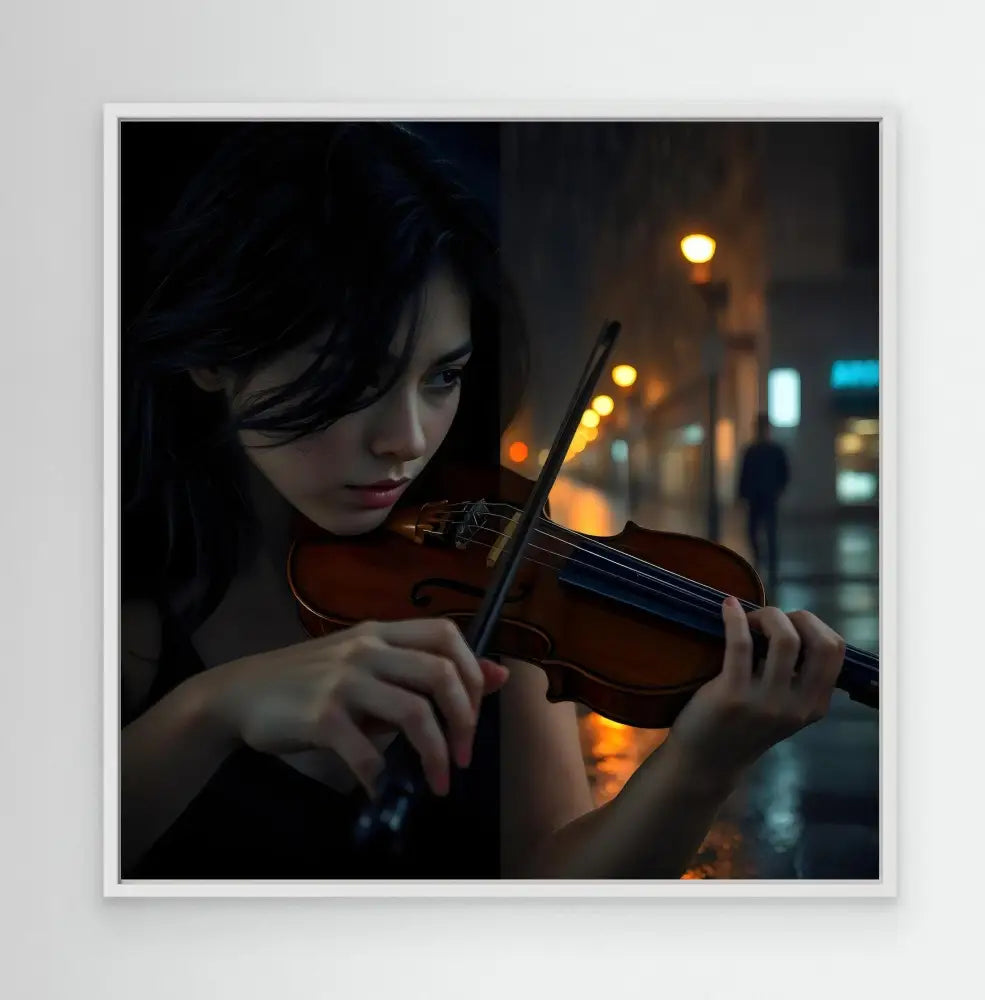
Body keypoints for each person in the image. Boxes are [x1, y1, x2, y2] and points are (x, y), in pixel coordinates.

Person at [120, 122, 846, 880]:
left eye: (441, 377)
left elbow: (553, 898)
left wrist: (704, 760)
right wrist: (211, 709)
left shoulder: (489, 579)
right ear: (212, 356)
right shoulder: (122, 618)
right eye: (352, 378)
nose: (405, 439)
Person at [738, 413, 790, 587]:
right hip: (758, 497)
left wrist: (778, 490)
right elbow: (743, 475)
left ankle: (769, 567)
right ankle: (762, 564)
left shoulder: (771, 450)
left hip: (766, 497)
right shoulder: (753, 450)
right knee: (756, 532)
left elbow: (784, 473)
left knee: (769, 533)